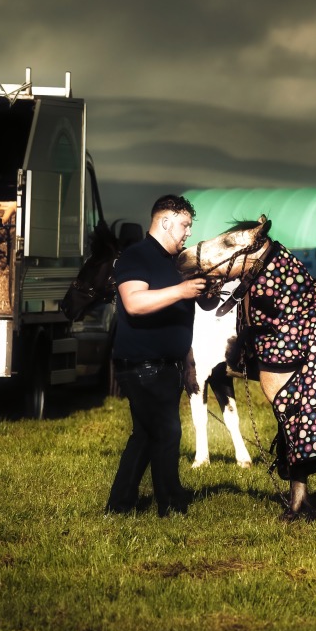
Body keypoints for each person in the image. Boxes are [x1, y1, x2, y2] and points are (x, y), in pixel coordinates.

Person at [104, 195, 208, 516]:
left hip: (168, 366)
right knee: (166, 432)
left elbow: (180, 311)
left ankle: (120, 506)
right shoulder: (137, 256)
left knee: (146, 436)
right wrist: (181, 290)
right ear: (166, 222)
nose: (188, 232)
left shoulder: (173, 263)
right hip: (143, 366)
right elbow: (134, 303)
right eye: (185, 224)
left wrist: (188, 365)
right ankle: (172, 506)